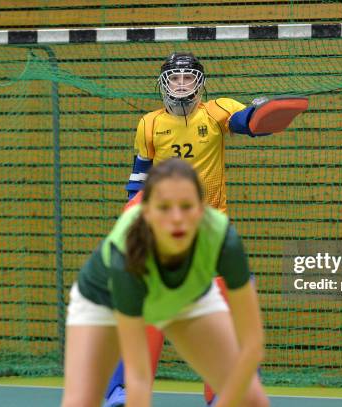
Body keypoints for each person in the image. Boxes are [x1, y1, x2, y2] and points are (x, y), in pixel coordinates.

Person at [106, 52, 305, 406]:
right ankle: (123, 392)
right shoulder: (149, 124)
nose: (181, 83)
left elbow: (247, 122)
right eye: (175, 77)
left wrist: (262, 113)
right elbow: (138, 179)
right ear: (164, 83)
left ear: (199, 82)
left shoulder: (216, 111)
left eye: (188, 77)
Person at [62, 158, 269, 407]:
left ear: (202, 208)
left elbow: (252, 346)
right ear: (147, 212)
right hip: (102, 300)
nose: (177, 218)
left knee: (252, 398)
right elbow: (137, 376)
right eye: (165, 207)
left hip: (184, 292)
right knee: (82, 399)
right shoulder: (125, 258)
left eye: (186, 206)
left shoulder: (224, 240)